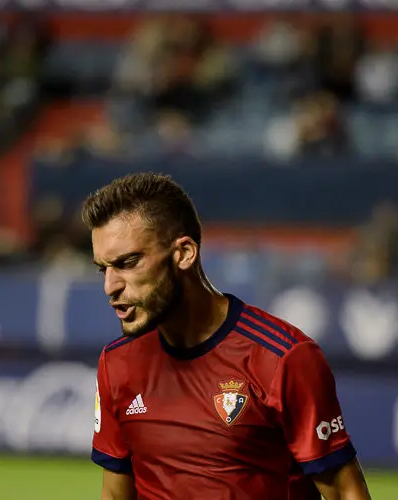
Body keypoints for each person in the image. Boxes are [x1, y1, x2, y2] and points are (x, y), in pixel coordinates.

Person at [84, 172, 372, 500]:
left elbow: (346, 492)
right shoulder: (117, 363)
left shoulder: (284, 359)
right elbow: (115, 496)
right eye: (103, 269)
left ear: (184, 253)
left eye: (128, 263)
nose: (110, 286)